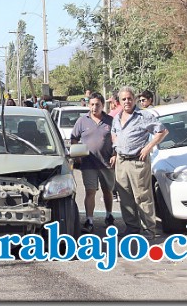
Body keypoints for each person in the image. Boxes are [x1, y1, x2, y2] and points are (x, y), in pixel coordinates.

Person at [110, 86, 169, 240]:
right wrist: (116, 151)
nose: (127, 101)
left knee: (142, 197)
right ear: (119, 101)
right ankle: (132, 228)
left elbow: (162, 131)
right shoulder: (116, 118)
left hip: (138, 162)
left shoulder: (143, 116)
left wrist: (148, 147)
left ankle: (149, 230)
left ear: (134, 99)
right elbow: (115, 134)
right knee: (125, 197)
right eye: (124, 99)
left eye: (129, 98)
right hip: (122, 162)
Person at [70, 92, 116, 233]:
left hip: (107, 163)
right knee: (90, 191)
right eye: (92, 104)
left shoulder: (111, 121)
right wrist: (77, 154)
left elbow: (117, 139)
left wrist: (115, 154)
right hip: (88, 163)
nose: (94, 107)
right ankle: (89, 220)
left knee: (107, 191)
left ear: (103, 105)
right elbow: (74, 138)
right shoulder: (82, 121)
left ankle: (109, 216)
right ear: (88, 105)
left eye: (97, 104)